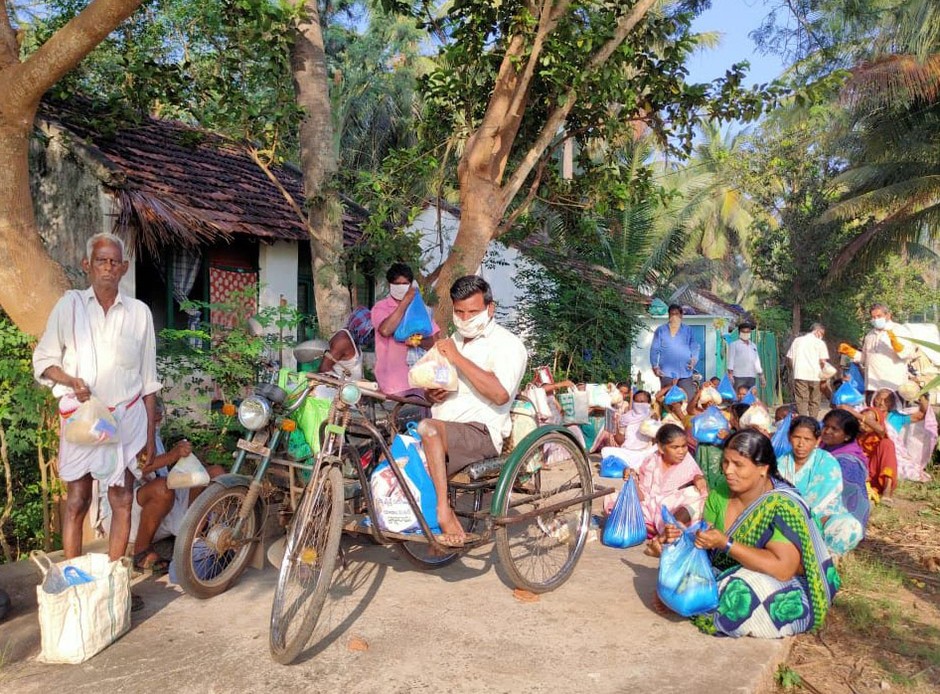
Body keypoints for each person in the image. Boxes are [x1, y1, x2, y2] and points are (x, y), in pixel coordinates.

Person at [33, 233, 161, 563]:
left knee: (122, 498)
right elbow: (44, 361)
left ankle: (112, 582)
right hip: (84, 420)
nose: (107, 267)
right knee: (77, 499)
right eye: (101, 260)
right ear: (87, 265)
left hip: (126, 419)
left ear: (124, 267)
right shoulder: (69, 305)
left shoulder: (139, 313)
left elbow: (148, 381)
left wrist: (149, 438)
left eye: (114, 261)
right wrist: (69, 379)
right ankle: (74, 579)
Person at [657, 429, 838, 638]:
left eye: (738, 465)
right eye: (725, 462)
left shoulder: (780, 505)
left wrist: (726, 543)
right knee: (677, 576)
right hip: (732, 568)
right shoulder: (721, 493)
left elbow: (783, 568)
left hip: (789, 578)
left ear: (763, 468)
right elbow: (707, 541)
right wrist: (681, 539)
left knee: (742, 591)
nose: (728, 470)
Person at [418, 276, 527, 543]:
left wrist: (457, 358)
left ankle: (444, 512)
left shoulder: (507, 344)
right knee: (393, 444)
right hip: (445, 426)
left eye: (473, 312)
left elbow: (500, 394)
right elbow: (432, 386)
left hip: (480, 433)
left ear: (490, 309)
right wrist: (432, 392)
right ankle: (428, 526)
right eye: (460, 311)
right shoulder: (452, 340)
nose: (466, 318)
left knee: (427, 428)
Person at [98, 400, 225, 572]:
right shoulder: (127, 430)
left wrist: (185, 461)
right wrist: (174, 454)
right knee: (161, 489)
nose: (159, 415)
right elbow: (138, 468)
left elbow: (162, 472)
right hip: (123, 516)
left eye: (158, 412)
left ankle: (194, 533)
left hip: (162, 505)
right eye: (153, 411)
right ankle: (141, 552)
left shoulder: (153, 432)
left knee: (215, 474)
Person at [777, 416, 864, 555]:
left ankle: (826, 557)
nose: (801, 444)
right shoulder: (780, 463)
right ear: (789, 437)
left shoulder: (827, 462)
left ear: (817, 441)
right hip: (786, 521)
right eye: (796, 437)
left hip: (822, 519)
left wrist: (808, 521)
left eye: (807, 439)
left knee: (850, 527)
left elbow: (826, 498)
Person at [370, 263, 440, 395]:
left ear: (410, 284)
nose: (401, 287)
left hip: (419, 380)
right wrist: (405, 301)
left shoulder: (420, 309)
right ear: (390, 284)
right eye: (397, 284)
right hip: (392, 383)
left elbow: (435, 342)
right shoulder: (381, 308)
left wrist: (417, 341)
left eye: (405, 283)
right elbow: (385, 330)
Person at [633, 424, 707, 545]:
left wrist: (698, 478)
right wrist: (633, 481)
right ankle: (663, 532)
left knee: (695, 495)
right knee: (618, 500)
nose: (681, 451)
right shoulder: (651, 462)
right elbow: (643, 496)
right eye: (675, 447)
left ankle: (663, 536)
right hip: (651, 507)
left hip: (675, 511)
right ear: (661, 449)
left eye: (684, 446)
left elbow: (698, 479)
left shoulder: (687, 460)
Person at [839, 303, 915, 399]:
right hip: (872, 384)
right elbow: (864, 359)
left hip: (892, 385)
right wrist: (851, 352)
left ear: (888, 315)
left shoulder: (899, 330)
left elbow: (909, 354)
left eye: (879, 316)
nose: (876, 320)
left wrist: (898, 346)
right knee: (872, 412)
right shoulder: (870, 335)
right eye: (873, 317)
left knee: (891, 413)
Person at [820, 409, 872, 531]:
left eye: (834, 429)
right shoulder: (824, 448)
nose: (827, 431)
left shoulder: (848, 463)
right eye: (825, 426)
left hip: (842, 521)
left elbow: (835, 496)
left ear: (847, 436)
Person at [650, 304, 700, 401]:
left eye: (676, 314)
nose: (674, 317)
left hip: (685, 372)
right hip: (666, 373)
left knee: (688, 399)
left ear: (681, 316)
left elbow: (694, 347)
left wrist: (694, 360)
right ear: (668, 316)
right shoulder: (661, 330)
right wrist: (655, 366)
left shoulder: (688, 330)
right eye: (671, 314)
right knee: (668, 400)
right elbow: (654, 349)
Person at [786, 323, 831, 417]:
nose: (822, 336)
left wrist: (793, 370)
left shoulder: (797, 341)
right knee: (814, 401)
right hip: (816, 376)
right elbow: (823, 361)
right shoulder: (820, 343)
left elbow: (789, 359)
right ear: (817, 331)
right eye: (822, 333)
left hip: (800, 375)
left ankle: (803, 421)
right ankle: (813, 421)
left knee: (801, 400)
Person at [856, 408, 898, 501]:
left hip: (875, 476)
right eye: (861, 420)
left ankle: (887, 491)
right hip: (859, 475)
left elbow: (881, 431)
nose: (862, 423)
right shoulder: (855, 435)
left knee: (887, 445)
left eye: (867, 421)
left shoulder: (881, 438)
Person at [727, 322, 766, 394]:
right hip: (738, 376)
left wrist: (761, 375)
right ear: (739, 333)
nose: (745, 334)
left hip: (751, 376)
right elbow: (731, 360)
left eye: (748, 332)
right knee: (739, 397)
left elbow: (756, 361)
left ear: (750, 332)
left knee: (750, 397)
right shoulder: (734, 345)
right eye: (743, 332)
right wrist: (730, 375)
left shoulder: (753, 345)